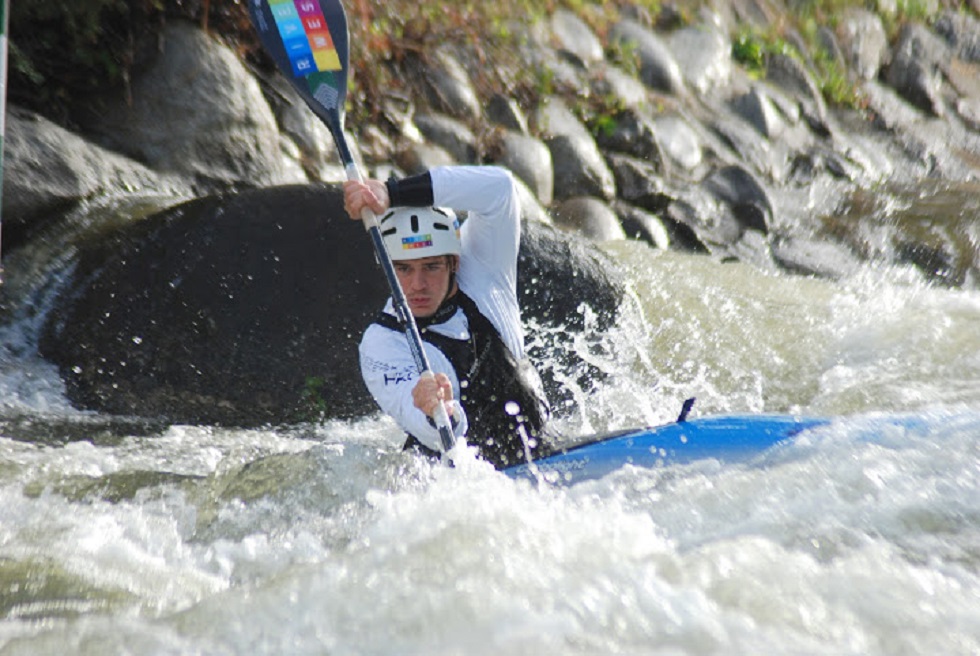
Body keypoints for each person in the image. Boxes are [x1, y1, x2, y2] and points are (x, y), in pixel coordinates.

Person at [343, 165, 552, 468]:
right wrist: (432, 410)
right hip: (459, 487)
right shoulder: (382, 343)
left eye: (431, 267)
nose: (418, 285)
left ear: (454, 262)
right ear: (386, 266)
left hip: (542, 454)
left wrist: (393, 193)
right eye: (403, 268)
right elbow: (432, 429)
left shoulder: (484, 269)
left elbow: (500, 188)